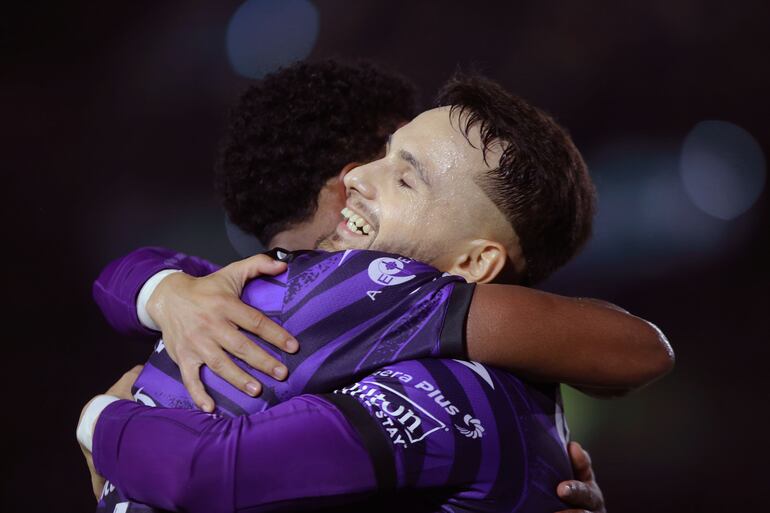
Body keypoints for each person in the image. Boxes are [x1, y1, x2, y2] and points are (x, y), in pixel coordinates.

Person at [79, 71, 672, 512]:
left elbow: (203, 473)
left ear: (473, 260)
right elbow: (129, 274)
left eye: (403, 175)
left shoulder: (440, 358)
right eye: (378, 159)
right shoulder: (275, 299)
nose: (358, 180)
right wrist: (168, 294)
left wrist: (100, 420)